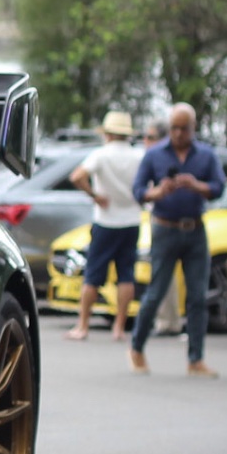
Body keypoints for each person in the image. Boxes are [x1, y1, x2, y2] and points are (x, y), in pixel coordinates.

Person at [128, 104, 226, 376]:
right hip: (165, 228)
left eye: (184, 128)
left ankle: (196, 359)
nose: (179, 133)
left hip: (195, 230)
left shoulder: (206, 155)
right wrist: (157, 192)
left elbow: (219, 187)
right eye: (174, 128)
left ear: (193, 128)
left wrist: (197, 185)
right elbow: (138, 190)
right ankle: (136, 348)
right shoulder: (154, 154)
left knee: (197, 296)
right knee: (156, 292)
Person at [66, 111, 144, 341]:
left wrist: (95, 195)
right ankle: (119, 327)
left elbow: (77, 177)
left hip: (106, 221)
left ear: (108, 133)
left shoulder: (101, 154)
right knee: (126, 275)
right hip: (131, 220)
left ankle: (83, 325)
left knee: (93, 274)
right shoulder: (138, 156)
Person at [141, 118, 183, 337]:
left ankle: (168, 321)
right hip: (158, 220)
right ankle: (166, 319)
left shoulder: (165, 160)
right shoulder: (152, 159)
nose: (145, 141)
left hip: (169, 223)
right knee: (163, 274)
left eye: (150, 137)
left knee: (164, 274)